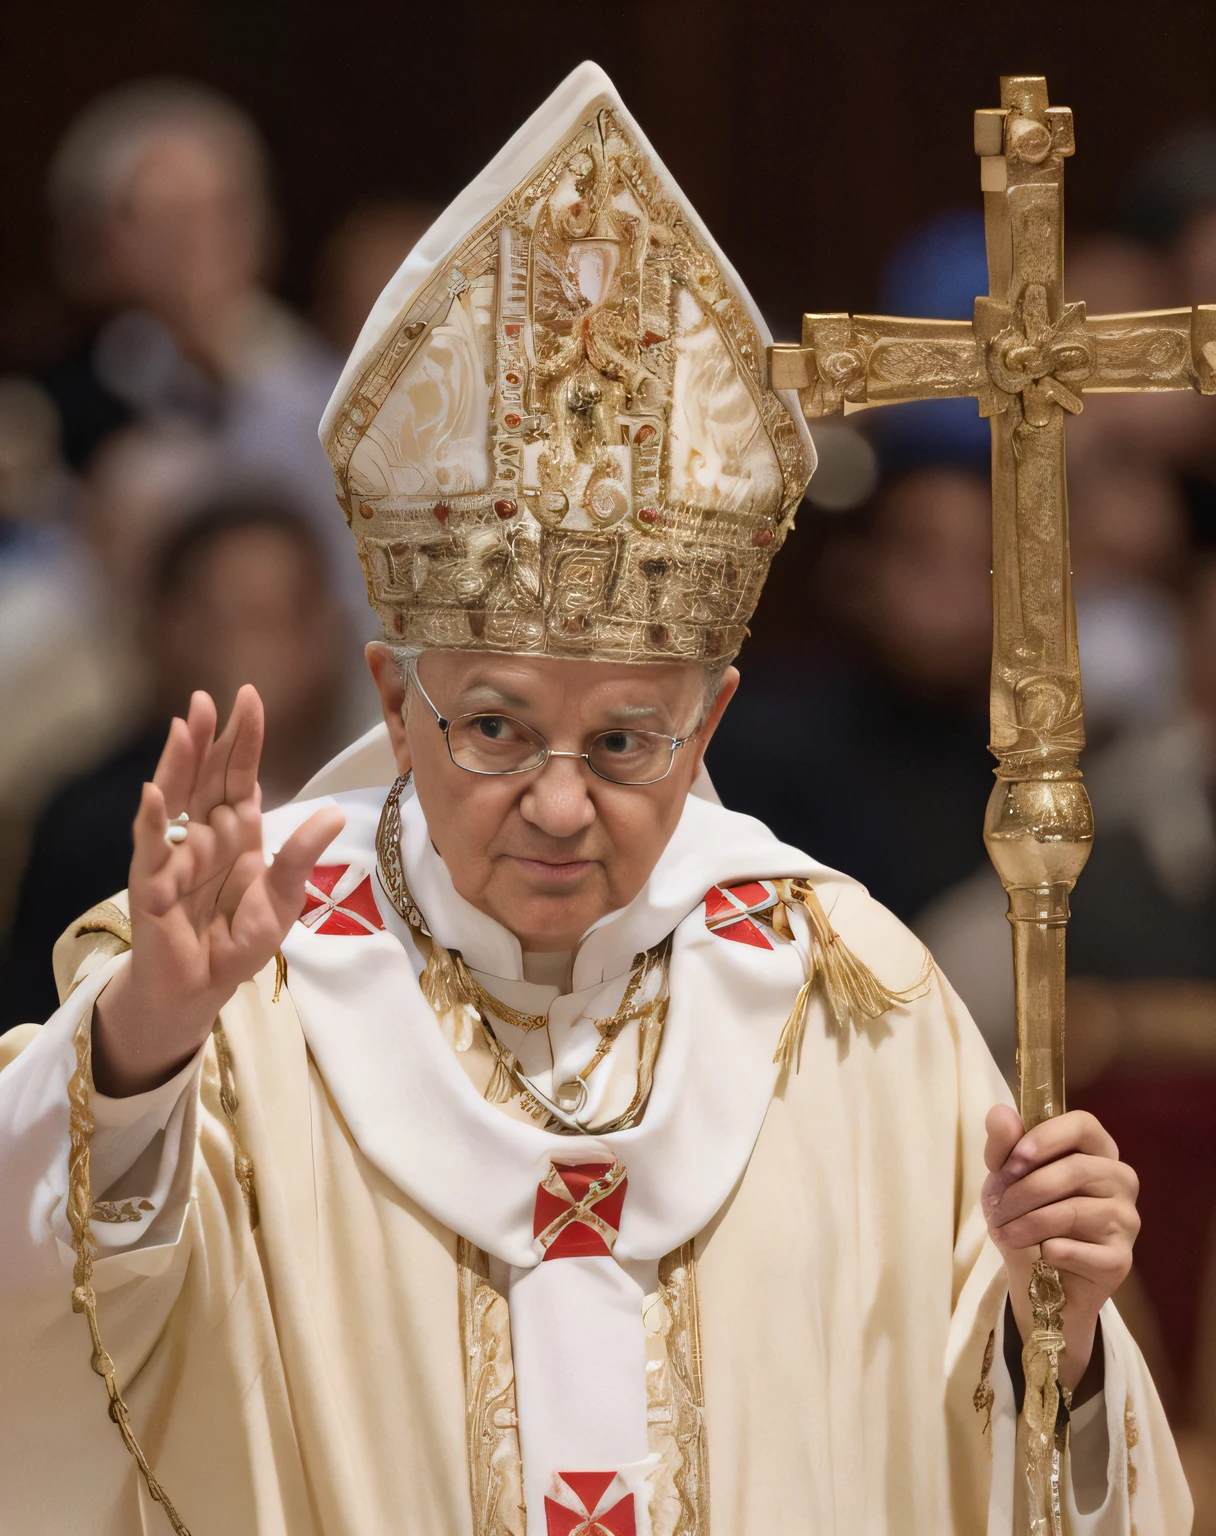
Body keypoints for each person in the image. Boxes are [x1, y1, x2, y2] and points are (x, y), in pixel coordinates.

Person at [0, 63, 1188, 1535]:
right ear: (392, 702)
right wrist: (141, 1054)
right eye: (494, 728)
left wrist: (1058, 1337)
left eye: (626, 744)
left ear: (714, 723)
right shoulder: (243, 985)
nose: (560, 806)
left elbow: (1012, 1454)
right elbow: (59, 1355)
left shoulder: (857, 1007)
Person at [0, 489, 355, 1032]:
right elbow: (37, 1048)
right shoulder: (94, 826)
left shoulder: (371, 804)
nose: (306, 645)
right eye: (256, 619)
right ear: (169, 633)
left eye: (307, 612)